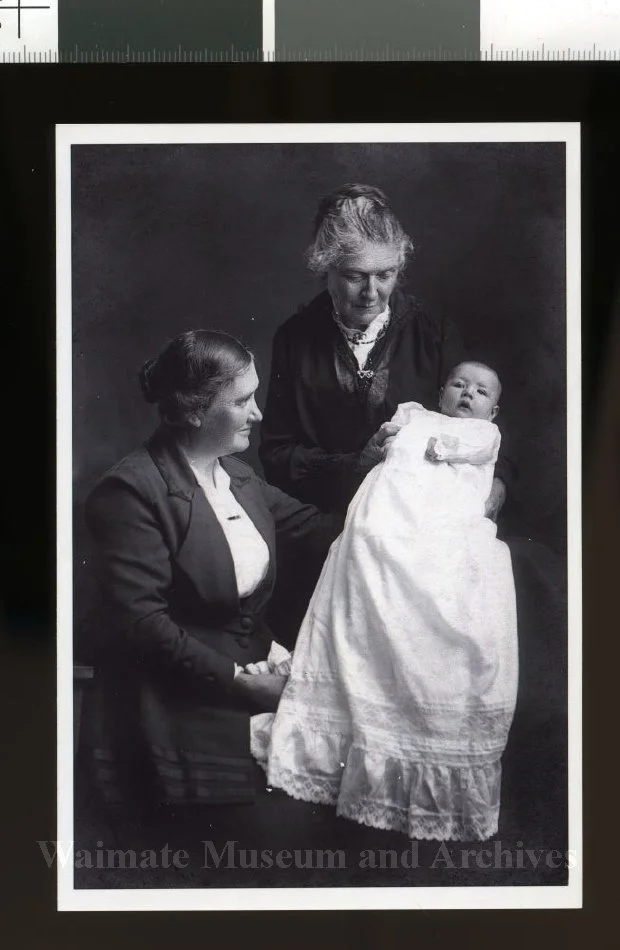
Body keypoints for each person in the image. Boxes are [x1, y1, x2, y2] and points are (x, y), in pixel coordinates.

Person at [251, 361, 518, 842]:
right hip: (391, 509)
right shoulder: (413, 413)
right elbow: (389, 444)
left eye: (480, 391)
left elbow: (458, 450)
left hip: (443, 520)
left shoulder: (486, 435)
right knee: (369, 540)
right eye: (458, 384)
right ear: (441, 390)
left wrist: (438, 445)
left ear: (492, 410)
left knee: (450, 572)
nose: (466, 394)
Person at [82, 330, 339, 809]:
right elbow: (141, 624)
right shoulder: (132, 491)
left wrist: (410, 482)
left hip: (258, 680)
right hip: (172, 705)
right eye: (243, 400)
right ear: (195, 410)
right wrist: (243, 682)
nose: (258, 413)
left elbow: (325, 531)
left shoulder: (238, 476)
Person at [259, 183, 514, 519]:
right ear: (326, 269)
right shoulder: (294, 338)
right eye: (354, 276)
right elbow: (277, 454)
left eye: (385, 275)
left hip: (421, 517)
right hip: (328, 518)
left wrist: (496, 486)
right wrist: (354, 464)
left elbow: (482, 425)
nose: (371, 292)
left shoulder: (433, 331)